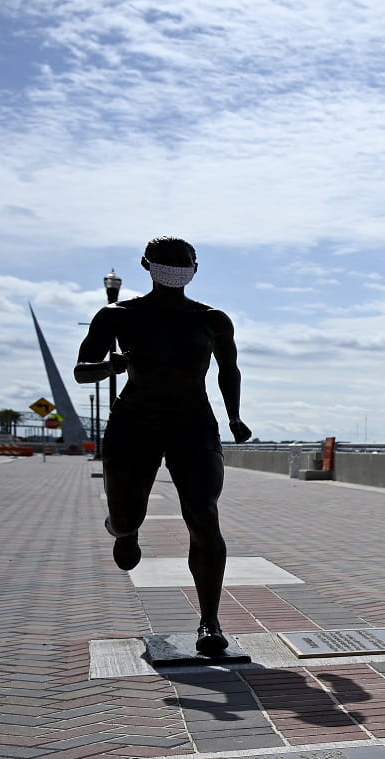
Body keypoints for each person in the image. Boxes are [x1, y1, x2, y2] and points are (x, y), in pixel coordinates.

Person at [75, 237, 252, 655]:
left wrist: (234, 417)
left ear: (196, 268)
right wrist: (110, 366)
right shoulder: (117, 315)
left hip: (194, 424)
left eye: (183, 263)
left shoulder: (213, 320)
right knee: (126, 512)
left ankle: (209, 622)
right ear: (146, 265)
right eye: (167, 263)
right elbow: (82, 372)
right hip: (134, 423)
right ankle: (124, 529)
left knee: (204, 516)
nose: (175, 270)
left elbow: (230, 370)